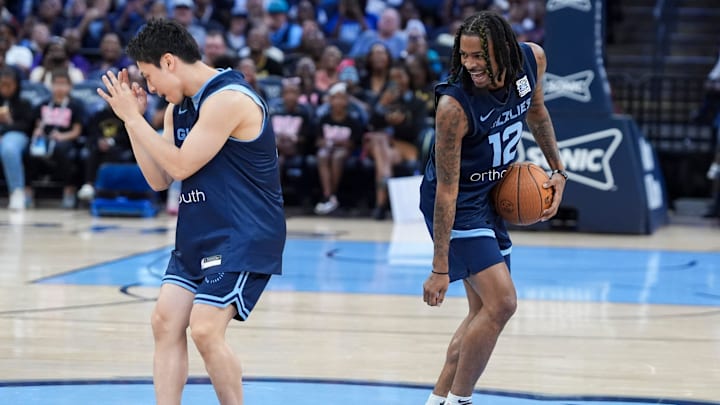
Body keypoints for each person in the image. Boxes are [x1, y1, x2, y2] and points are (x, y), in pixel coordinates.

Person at [96, 19, 286, 405]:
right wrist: (131, 122)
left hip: (243, 233)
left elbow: (182, 166)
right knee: (165, 321)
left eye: (149, 77)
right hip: (199, 232)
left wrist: (133, 118)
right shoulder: (175, 110)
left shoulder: (229, 99)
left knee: (204, 328)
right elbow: (159, 179)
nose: (150, 88)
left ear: (169, 62)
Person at [419, 11, 566, 405]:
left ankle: (438, 400)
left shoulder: (531, 60)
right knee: (503, 303)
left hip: (491, 198)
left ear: (501, 50)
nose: (469, 65)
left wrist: (557, 170)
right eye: (463, 56)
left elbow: (536, 111)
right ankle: (462, 400)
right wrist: (439, 267)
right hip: (457, 204)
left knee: (482, 313)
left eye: (477, 57)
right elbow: (446, 193)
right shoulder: (454, 106)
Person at [0, 66, 35, 210]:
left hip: (16, 135)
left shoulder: (24, 103)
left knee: (8, 148)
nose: (5, 88)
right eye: (2, 84)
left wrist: (8, 123)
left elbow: (27, 126)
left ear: (17, 84)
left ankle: (17, 192)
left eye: (9, 84)